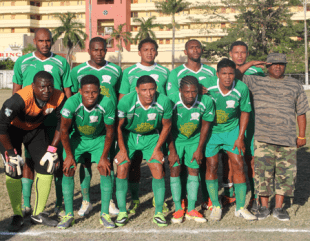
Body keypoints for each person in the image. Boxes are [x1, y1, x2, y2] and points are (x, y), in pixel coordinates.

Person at [12, 28, 72, 217]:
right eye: (41, 41)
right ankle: (27, 204)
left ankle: (59, 203)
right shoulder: (23, 61)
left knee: (57, 160)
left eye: (48, 41)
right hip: (31, 120)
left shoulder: (61, 62)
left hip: (54, 119)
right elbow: (16, 91)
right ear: (35, 42)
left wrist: (69, 115)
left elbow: (67, 91)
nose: (45, 44)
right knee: (30, 160)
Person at [242, 53, 309, 221]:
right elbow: (232, 74)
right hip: (263, 138)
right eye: (274, 64)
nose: (278, 67)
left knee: (285, 175)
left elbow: (301, 112)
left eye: (281, 64)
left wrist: (302, 135)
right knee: (263, 174)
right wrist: (251, 62)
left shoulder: (295, 85)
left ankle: (279, 208)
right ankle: (264, 207)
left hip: (287, 140)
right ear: (267, 66)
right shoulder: (256, 81)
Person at [0, 71, 66, 231]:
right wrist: (11, 152)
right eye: (42, 86)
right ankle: (17, 215)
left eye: (50, 86)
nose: (47, 90)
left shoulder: (59, 96)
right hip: (12, 130)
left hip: (35, 130)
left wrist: (52, 149)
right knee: (13, 168)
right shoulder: (18, 100)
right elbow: (1, 128)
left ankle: (38, 214)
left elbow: (62, 124)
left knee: (48, 164)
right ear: (33, 86)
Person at [70, 36, 121, 217]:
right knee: (84, 164)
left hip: (108, 124)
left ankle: (110, 200)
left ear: (106, 50)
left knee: (107, 162)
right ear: (89, 50)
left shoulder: (116, 70)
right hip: (84, 125)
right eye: (95, 50)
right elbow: (72, 96)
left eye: (102, 50)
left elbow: (119, 95)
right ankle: (86, 200)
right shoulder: (78, 71)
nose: (99, 53)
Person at [200, 58, 257, 221]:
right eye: (223, 73)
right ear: (217, 74)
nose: (227, 77)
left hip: (232, 130)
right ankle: (216, 206)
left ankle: (240, 208)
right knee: (211, 165)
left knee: (238, 164)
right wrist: (198, 90)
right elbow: (190, 90)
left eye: (231, 73)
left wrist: (240, 137)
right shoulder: (207, 84)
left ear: (235, 74)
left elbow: (245, 112)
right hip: (212, 131)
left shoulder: (241, 88)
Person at [118, 38, 170, 214]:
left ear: (156, 52)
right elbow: (123, 99)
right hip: (133, 125)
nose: (149, 52)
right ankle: (134, 199)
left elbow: (168, 98)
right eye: (146, 49)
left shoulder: (164, 71)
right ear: (139, 52)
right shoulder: (129, 71)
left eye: (153, 49)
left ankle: (159, 200)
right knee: (132, 165)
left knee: (158, 164)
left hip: (154, 124)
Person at [57, 75, 116, 229]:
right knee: (68, 169)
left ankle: (105, 214)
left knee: (105, 169)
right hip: (78, 139)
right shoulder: (71, 103)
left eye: (94, 92)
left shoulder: (107, 103)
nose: (91, 96)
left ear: (99, 91)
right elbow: (63, 131)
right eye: (87, 92)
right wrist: (69, 156)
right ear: (80, 91)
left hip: (99, 139)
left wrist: (104, 157)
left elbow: (110, 132)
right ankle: (69, 214)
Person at [115, 75, 172, 227]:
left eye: (152, 89)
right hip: (129, 137)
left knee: (157, 167)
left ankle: (159, 212)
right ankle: (123, 210)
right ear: (137, 90)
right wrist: (122, 150)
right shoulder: (126, 102)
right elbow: (118, 127)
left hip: (151, 137)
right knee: (122, 167)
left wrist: (158, 148)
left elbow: (166, 125)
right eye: (144, 90)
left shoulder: (164, 101)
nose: (149, 93)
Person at [167, 39, 216, 211]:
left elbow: (214, 96)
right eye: (191, 47)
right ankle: (180, 201)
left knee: (204, 164)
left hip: (203, 126)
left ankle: (205, 200)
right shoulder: (176, 73)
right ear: (186, 51)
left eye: (198, 47)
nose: (195, 50)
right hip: (179, 130)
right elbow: (173, 97)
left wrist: (205, 92)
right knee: (177, 168)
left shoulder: (211, 72)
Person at [221, 41, 266, 210]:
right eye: (236, 52)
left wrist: (253, 65)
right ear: (230, 53)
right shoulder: (226, 70)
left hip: (252, 119)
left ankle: (255, 196)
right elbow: (236, 75)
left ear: (247, 53)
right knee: (229, 160)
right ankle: (229, 194)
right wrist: (251, 63)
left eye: (243, 52)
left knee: (251, 160)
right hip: (232, 121)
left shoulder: (257, 71)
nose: (239, 55)